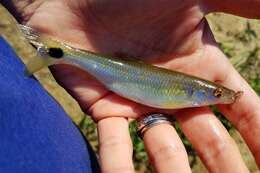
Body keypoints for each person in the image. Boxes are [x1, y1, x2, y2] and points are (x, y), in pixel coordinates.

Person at [1, 0, 260, 173]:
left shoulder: (192, 94)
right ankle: (59, 52)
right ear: (198, 91)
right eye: (215, 93)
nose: (219, 96)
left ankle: (59, 51)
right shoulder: (188, 93)